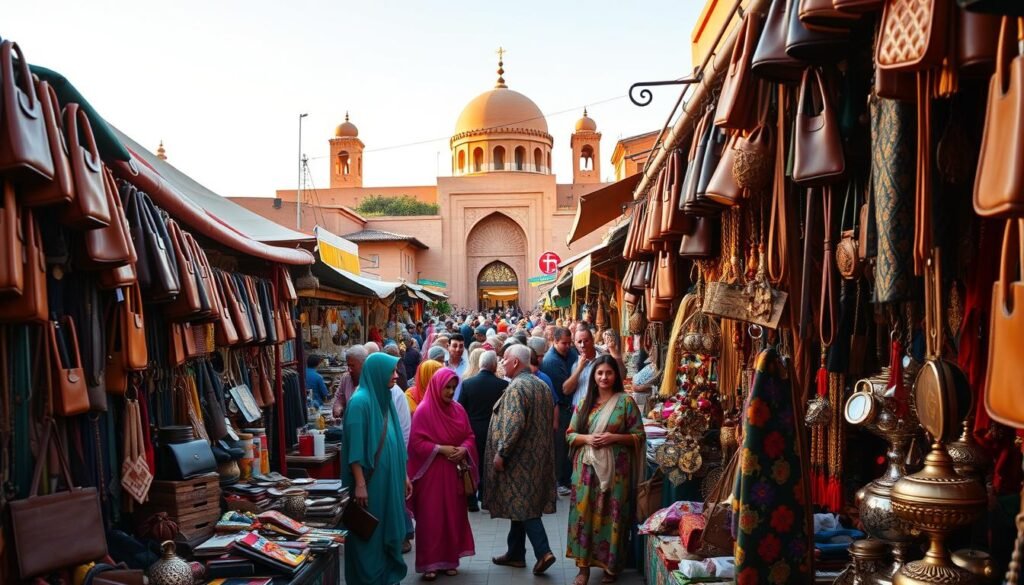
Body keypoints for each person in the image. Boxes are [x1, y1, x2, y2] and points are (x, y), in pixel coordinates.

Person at [565, 355, 646, 584]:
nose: (604, 377)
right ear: (593, 376)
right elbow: (570, 434)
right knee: (584, 516)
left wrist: (614, 437)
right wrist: (588, 438)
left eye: (608, 373)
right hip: (586, 472)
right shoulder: (585, 403)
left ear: (616, 376)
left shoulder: (625, 403)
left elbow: (639, 436)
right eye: (599, 373)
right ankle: (583, 569)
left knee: (613, 516)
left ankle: (611, 567)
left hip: (616, 474)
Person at [485, 344, 557, 575]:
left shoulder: (517, 388)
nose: (502, 362)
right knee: (521, 503)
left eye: (505, 359)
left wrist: (502, 453)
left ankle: (543, 551)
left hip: (519, 461)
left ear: (515, 362)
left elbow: (514, 424)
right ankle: (515, 553)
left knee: (525, 507)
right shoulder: (541, 385)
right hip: (537, 458)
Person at [341, 352, 412, 585]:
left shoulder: (385, 399)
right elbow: (355, 449)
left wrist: (403, 475)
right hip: (370, 488)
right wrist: (360, 484)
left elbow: (397, 443)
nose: (395, 376)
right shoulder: (360, 402)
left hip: (388, 483)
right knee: (369, 539)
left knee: (384, 537)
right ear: (377, 372)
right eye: (391, 371)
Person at [407, 369, 477, 580]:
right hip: (431, 475)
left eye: (453, 387)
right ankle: (430, 563)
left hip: (454, 474)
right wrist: (440, 449)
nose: (450, 391)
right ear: (437, 386)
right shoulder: (424, 411)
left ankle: (450, 560)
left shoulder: (458, 410)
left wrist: (464, 448)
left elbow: (470, 436)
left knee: (453, 517)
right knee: (431, 518)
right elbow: (416, 443)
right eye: (446, 387)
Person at [458, 350, 508, 512]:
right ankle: (487, 498)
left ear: (480, 365)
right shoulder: (503, 385)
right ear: (494, 365)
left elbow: (460, 410)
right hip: (494, 431)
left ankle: (471, 501)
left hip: (472, 431)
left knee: (472, 464)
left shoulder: (467, 384)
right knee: (489, 465)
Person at [541, 327, 578, 496]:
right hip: (562, 408)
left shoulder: (570, 353)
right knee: (561, 446)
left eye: (569, 343)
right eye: (564, 343)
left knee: (568, 445)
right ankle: (560, 480)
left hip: (571, 407)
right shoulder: (551, 361)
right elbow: (565, 390)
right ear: (554, 342)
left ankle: (567, 478)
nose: (567, 346)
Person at [332, 345, 369, 420]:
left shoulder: (371, 381)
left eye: (352, 366)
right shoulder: (346, 378)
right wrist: (338, 407)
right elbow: (340, 397)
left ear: (363, 365)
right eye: (348, 365)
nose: (349, 370)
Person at [446, 334, 469, 401]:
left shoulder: (468, 366)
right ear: (448, 346)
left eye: (461, 346)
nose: (458, 349)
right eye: (454, 346)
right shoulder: (442, 365)